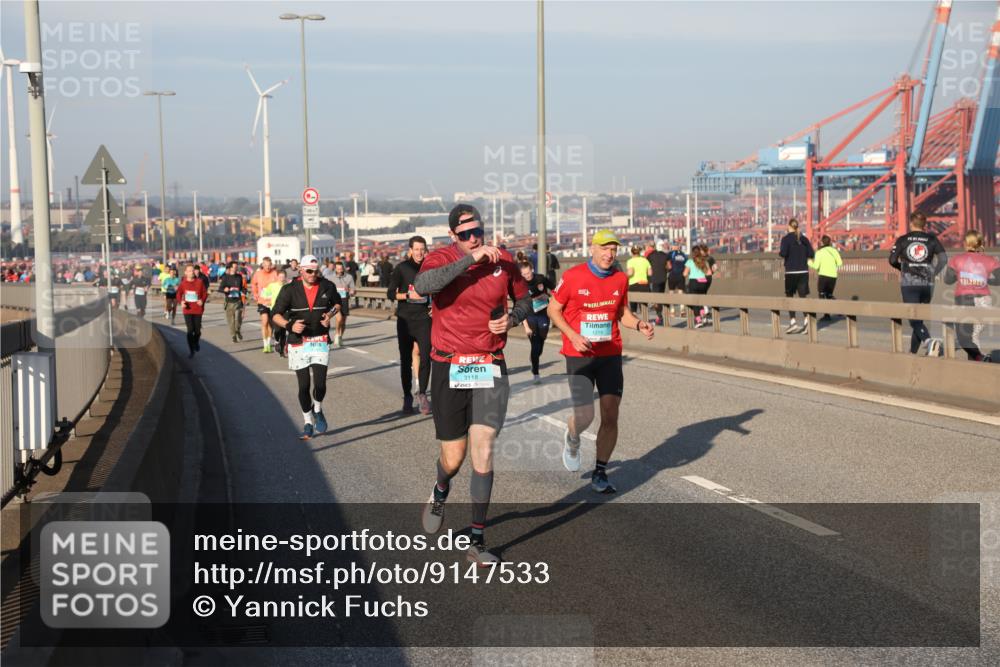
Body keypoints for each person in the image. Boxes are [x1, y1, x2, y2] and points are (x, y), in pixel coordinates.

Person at [414, 204, 532, 566]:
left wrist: (511, 318)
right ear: (453, 236)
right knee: (454, 457)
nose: (473, 238)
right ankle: (440, 489)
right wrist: (470, 258)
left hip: (489, 365)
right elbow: (423, 287)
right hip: (450, 367)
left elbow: (527, 300)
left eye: (477, 231)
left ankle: (477, 541)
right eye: (464, 234)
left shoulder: (504, 261)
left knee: (483, 449)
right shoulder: (439, 258)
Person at [548, 229, 654, 494]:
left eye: (613, 249)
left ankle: (600, 471)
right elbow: (553, 309)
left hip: (609, 354)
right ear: (592, 250)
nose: (609, 254)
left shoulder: (620, 279)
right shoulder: (573, 277)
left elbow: (622, 313)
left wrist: (639, 324)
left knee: (610, 414)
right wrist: (572, 335)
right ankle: (573, 437)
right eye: (604, 248)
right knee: (585, 415)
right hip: (579, 355)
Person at [270, 255, 342, 439]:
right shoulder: (289, 290)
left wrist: (329, 315)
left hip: (319, 340)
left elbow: (337, 304)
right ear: (300, 270)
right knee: (304, 387)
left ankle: (317, 409)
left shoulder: (327, 285)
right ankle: (307, 422)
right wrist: (289, 326)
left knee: (320, 383)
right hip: (298, 342)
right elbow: (275, 315)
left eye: (315, 271)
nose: (312, 274)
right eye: (308, 271)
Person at [889, 212, 948, 355]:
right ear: (924, 224)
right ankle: (913, 352)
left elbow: (892, 260)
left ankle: (929, 341)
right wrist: (933, 272)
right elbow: (943, 259)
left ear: (911, 223)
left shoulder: (903, 239)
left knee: (913, 317)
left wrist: (902, 268)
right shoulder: (932, 239)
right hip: (927, 283)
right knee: (919, 317)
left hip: (909, 282)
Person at [387, 236, 433, 414]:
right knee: (406, 360)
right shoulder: (402, 268)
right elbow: (391, 294)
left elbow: (438, 291)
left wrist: (434, 307)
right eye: (417, 249)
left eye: (423, 249)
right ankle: (407, 396)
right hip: (405, 319)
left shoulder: (431, 268)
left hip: (424, 319)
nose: (420, 252)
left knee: (427, 358)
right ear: (410, 250)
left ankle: (422, 394)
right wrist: (407, 296)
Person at [943, 230, 1000, 362]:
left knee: (964, 339)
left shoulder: (957, 259)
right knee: (973, 337)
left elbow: (948, 280)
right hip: (985, 302)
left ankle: (980, 359)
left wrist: (960, 276)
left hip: (965, 300)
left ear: (966, 243)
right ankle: (976, 365)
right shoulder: (990, 260)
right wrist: (986, 280)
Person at [520, 261, 556, 384]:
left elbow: (554, 288)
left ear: (532, 270)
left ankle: (534, 357)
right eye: (524, 274)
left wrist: (550, 298)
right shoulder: (520, 285)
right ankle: (536, 373)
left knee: (541, 343)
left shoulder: (540, 278)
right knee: (535, 345)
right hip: (530, 317)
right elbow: (519, 306)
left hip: (543, 315)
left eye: (528, 273)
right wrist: (525, 326)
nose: (527, 276)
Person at [778, 219, 815, 335]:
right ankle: (806, 322)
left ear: (789, 226)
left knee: (790, 297)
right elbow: (811, 254)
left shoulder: (786, 239)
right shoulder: (804, 239)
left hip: (791, 272)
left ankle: (793, 322)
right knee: (803, 297)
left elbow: (783, 253)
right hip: (803, 272)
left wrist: (781, 253)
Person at [175, 264, 208, 359]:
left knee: (197, 331)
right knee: (190, 330)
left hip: (197, 309)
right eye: (189, 271)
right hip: (187, 309)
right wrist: (181, 302)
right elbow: (178, 294)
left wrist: (202, 300)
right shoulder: (183, 283)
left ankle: (196, 342)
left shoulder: (200, 282)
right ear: (185, 273)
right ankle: (191, 350)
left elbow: (204, 293)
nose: (192, 272)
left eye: (193, 270)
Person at [808, 235, 843, 321]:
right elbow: (840, 263)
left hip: (823, 276)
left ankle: (826, 315)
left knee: (822, 294)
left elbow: (816, 266)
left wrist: (808, 262)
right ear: (830, 242)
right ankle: (839, 309)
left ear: (822, 242)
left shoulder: (819, 252)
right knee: (829, 295)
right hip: (833, 276)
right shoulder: (834, 251)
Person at [251, 257, 282, 353]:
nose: (268, 267)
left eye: (269, 265)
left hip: (272, 302)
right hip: (262, 301)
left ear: (271, 264)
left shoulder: (275, 273)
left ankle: (269, 343)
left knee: (271, 323)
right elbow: (253, 284)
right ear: (262, 265)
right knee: (264, 321)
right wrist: (255, 293)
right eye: (266, 265)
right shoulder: (258, 273)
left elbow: (279, 284)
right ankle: (265, 345)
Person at [261, 269, 289, 356]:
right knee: (277, 330)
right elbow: (264, 294)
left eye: (283, 277)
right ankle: (276, 341)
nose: (281, 278)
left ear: (285, 277)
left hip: (286, 311)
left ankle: (281, 351)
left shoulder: (288, 286)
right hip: (275, 310)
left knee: (283, 330)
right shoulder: (272, 285)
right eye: (280, 276)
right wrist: (267, 300)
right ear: (277, 277)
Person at [683, 246, 712, 328]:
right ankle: (704, 317)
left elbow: (684, 274)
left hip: (694, 283)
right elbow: (709, 273)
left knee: (694, 302)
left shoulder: (690, 261)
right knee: (701, 301)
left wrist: (691, 273)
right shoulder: (704, 261)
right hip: (703, 283)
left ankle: (698, 320)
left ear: (693, 253)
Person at [219, 261, 247, 343]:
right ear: (230, 268)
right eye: (234, 267)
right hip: (229, 302)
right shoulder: (225, 277)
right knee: (231, 321)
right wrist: (225, 290)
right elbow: (220, 288)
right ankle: (233, 335)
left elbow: (242, 287)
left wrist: (244, 291)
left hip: (238, 301)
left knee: (239, 319)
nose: (236, 268)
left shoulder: (239, 277)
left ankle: (237, 330)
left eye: (236, 267)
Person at [329, 261, 356, 347]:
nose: (339, 270)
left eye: (341, 269)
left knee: (343, 321)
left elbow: (353, 290)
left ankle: (340, 336)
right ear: (335, 268)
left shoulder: (349, 277)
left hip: (344, 300)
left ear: (343, 268)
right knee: (339, 318)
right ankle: (337, 334)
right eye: (338, 269)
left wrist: (351, 292)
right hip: (334, 302)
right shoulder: (330, 277)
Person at [647, 240, 670, 325]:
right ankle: (660, 316)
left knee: (655, 299)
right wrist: (665, 270)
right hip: (663, 279)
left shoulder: (651, 255)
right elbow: (669, 267)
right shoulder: (665, 255)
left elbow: (647, 266)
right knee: (660, 298)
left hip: (654, 279)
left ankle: (659, 316)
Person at [625, 245, 652, 315]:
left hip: (634, 285)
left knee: (633, 309)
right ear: (639, 252)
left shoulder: (630, 261)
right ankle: (645, 322)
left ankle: (635, 324)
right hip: (644, 285)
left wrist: (625, 275)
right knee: (644, 307)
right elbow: (650, 273)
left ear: (632, 252)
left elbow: (630, 273)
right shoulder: (645, 260)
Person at [666, 242, 688, 318]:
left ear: (673, 247)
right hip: (681, 276)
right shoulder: (683, 254)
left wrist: (668, 269)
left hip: (672, 275)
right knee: (681, 292)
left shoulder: (670, 253)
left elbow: (668, 264)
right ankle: (682, 310)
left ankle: (672, 310)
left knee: (671, 292)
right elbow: (686, 264)